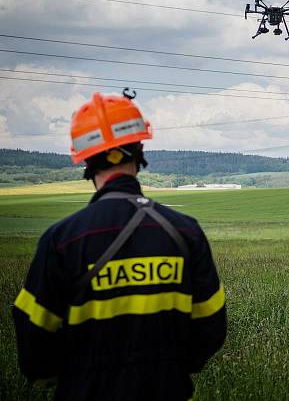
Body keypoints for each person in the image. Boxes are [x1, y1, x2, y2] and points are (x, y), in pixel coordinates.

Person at [12, 90, 226, 400]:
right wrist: (170, 367)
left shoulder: (62, 240)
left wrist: (77, 375)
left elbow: (33, 344)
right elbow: (210, 328)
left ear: (85, 159)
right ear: (139, 149)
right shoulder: (183, 232)